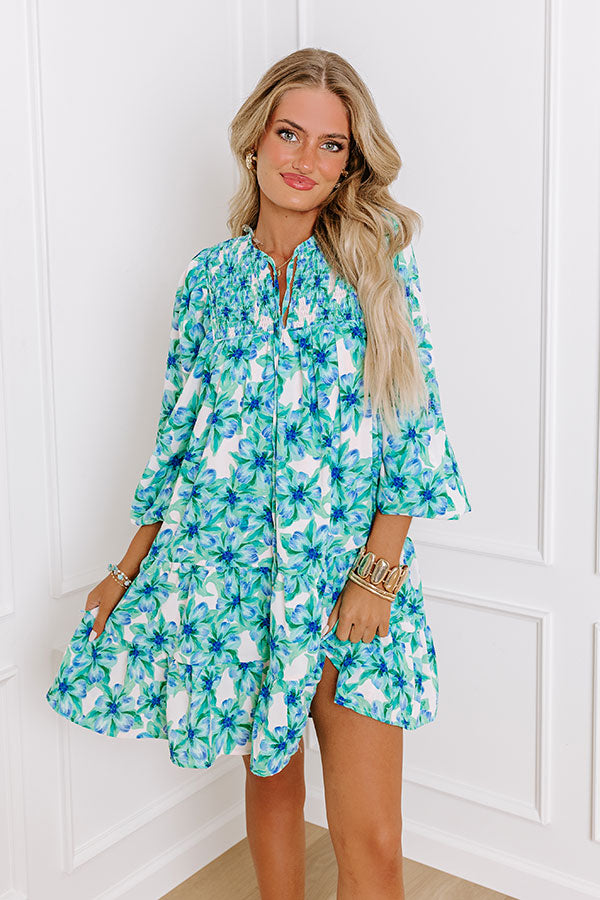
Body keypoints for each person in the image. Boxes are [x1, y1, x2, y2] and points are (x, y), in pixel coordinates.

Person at [46, 47, 471, 900]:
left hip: (350, 584)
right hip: (231, 579)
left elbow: (412, 425)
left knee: (373, 842)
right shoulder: (208, 280)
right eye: (289, 133)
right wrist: (126, 567)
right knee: (271, 790)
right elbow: (177, 440)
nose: (305, 159)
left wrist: (376, 577)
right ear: (254, 140)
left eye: (331, 144)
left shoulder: (376, 258)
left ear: (350, 162)